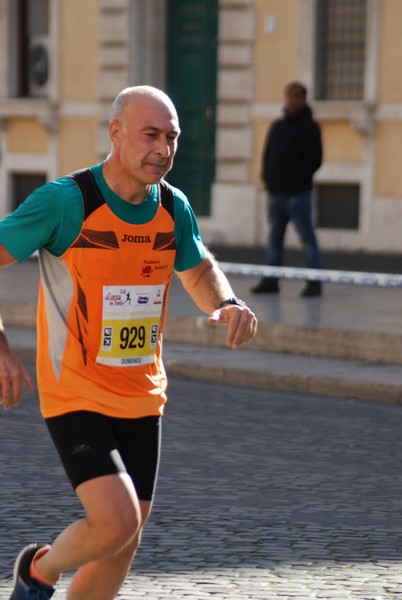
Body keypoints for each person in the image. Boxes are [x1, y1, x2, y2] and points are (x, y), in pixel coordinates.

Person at [0, 85, 258, 600]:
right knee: (114, 520)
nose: (162, 149)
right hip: (75, 389)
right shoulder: (65, 202)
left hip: (143, 392)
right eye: (150, 135)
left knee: (122, 540)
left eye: (172, 138)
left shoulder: (173, 206)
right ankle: (38, 571)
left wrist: (226, 303)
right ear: (115, 133)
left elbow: (198, 268)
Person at [251, 81, 323, 297]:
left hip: (298, 195)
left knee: (307, 239)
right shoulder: (278, 125)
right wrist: (267, 178)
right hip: (275, 194)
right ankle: (272, 279)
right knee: (274, 239)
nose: (292, 100)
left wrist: (295, 181)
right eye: (289, 95)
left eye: (296, 96)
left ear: (303, 99)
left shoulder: (310, 127)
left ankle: (314, 282)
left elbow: (314, 160)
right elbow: (268, 154)